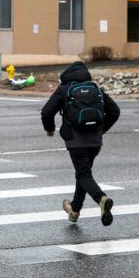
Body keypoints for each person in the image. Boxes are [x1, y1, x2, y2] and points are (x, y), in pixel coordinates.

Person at [41, 61, 120, 226]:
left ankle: (101, 198)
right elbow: (114, 111)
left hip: (75, 140)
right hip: (95, 141)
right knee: (83, 174)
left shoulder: (65, 89)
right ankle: (75, 210)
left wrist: (50, 129)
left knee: (84, 175)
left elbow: (47, 111)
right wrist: (100, 129)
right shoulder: (95, 88)